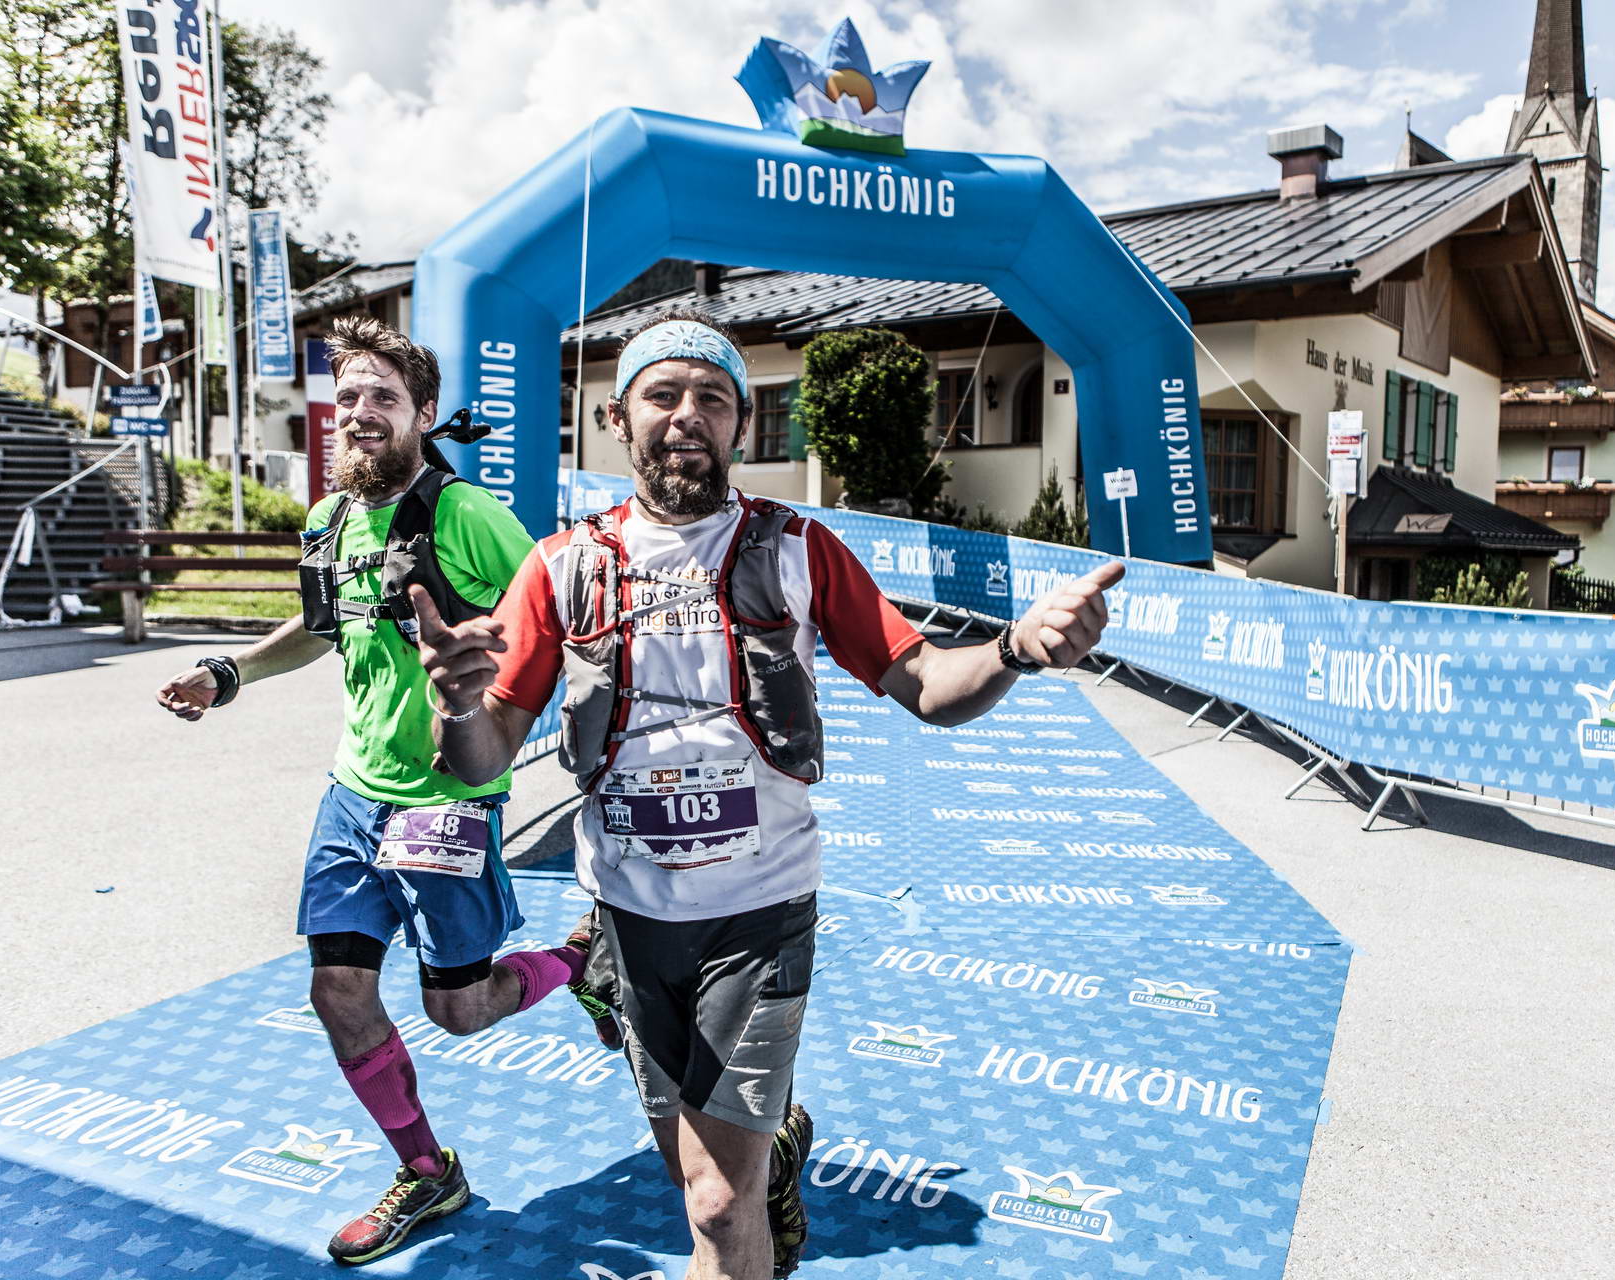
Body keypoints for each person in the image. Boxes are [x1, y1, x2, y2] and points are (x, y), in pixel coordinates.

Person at [409, 310, 1124, 1279]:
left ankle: (751, 1199)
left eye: (713, 397)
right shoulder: (560, 565)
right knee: (687, 1169)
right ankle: (779, 1147)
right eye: (662, 394)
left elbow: (926, 684)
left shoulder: (798, 548)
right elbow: (481, 752)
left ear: (743, 425)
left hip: (761, 915)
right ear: (619, 418)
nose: (686, 415)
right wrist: (456, 705)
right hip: (628, 920)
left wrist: (1015, 648)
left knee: (714, 1202)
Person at [153, 316, 597, 1267]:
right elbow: (319, 629)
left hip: (446, 800)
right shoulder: (328, 520)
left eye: (382, 398)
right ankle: (427, 1171)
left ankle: (575, 964)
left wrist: (488, 675)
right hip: (352, 798)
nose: (358, 413)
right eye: (347, 396)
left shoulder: (466, 514)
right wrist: (226, 675)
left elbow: (547, 620)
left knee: (460, 1008)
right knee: (336, 991)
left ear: (423, 415)